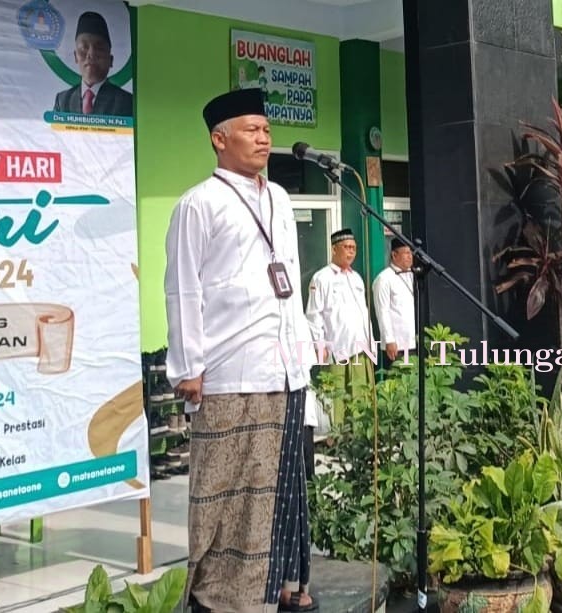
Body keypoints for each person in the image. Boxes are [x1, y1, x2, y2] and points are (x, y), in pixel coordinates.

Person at [164, 87, 317, 613]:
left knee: (281, 489)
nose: (264, 137)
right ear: (219, 138)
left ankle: (276, 586)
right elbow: (182, 287)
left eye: (266, 129)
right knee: (226, 492)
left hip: (285, 370)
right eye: (252, 129)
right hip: (229, 372)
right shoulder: (197, 203)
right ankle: (218, 595)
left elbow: (289, 281)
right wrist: (188, 367)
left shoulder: (278, 198)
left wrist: (304, 354)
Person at [304, 229, 375, 425]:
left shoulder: (356, 278)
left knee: (361, 395)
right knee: (337, 396)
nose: (351, 252)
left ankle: (360, 438)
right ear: (334, 249)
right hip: (337, 348)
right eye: (346, 247)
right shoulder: (322, 278)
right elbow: (313, 314)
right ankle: (337, 440)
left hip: (360, 347)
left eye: (354, 248)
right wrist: (320, 344)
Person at [53, 12, 133, 117]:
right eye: (84, 47)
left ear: (111, 60)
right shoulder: (62, 100)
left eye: (99, 48)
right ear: (75, 56)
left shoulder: (127, 101)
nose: (91, 54)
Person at [372, 236, 416, 369]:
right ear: (394, 255)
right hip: (396, 344)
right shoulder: (384, 279)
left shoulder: (411, 275)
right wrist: (389, 340)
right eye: (406, 253)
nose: (410, 257)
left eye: (411, 253)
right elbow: (382, 312)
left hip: (412, 342)